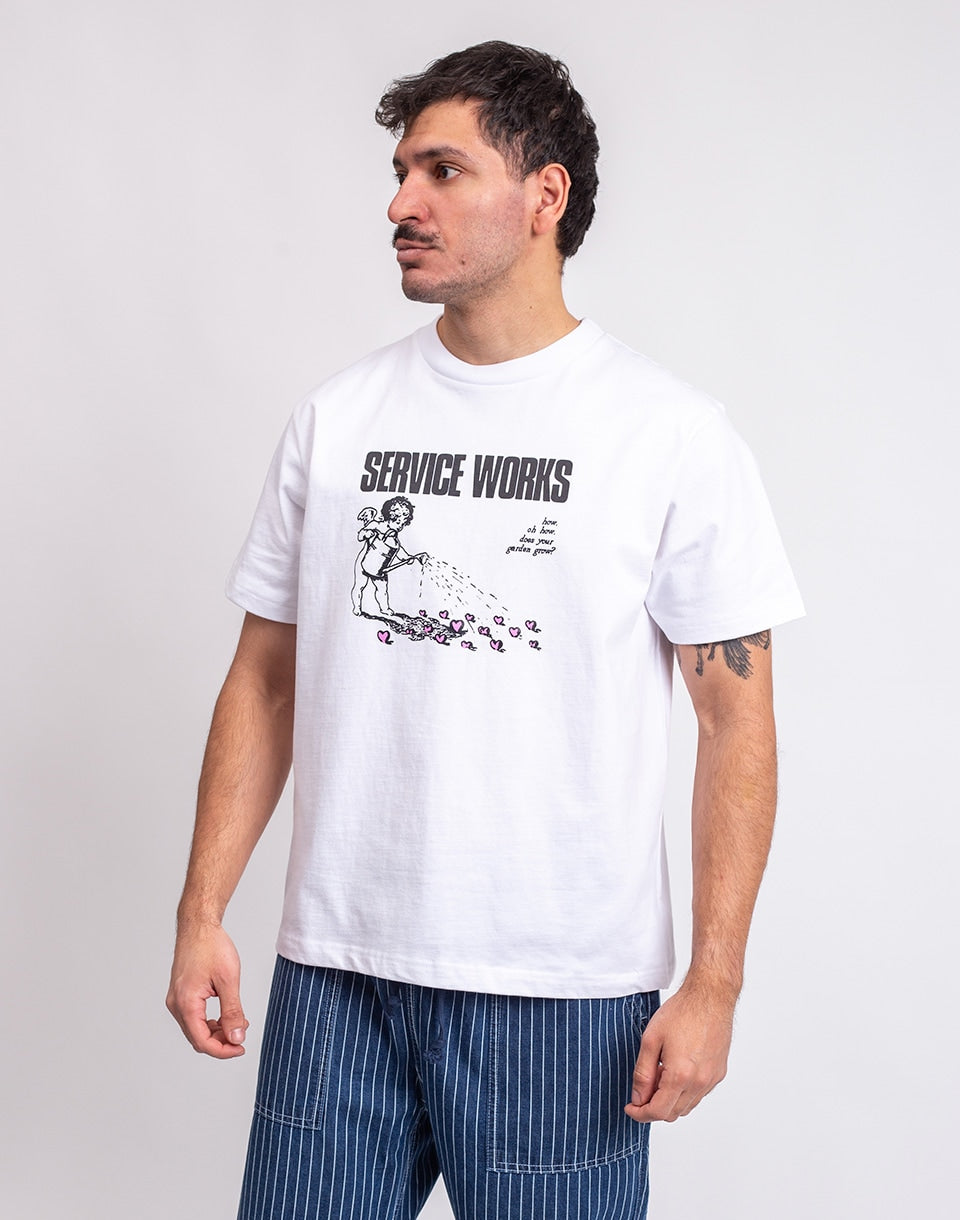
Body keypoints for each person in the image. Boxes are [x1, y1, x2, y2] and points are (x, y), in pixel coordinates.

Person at [166, 40, 804, 1220]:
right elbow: (263, 680)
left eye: (443, 171)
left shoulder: (667, 434)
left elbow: (735, 719)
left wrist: (714, 980)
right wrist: (202, 909)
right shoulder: (339, 419)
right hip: (337, 977)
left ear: (543, 194)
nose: (401, 204)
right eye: (402, 172)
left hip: (564, 990)